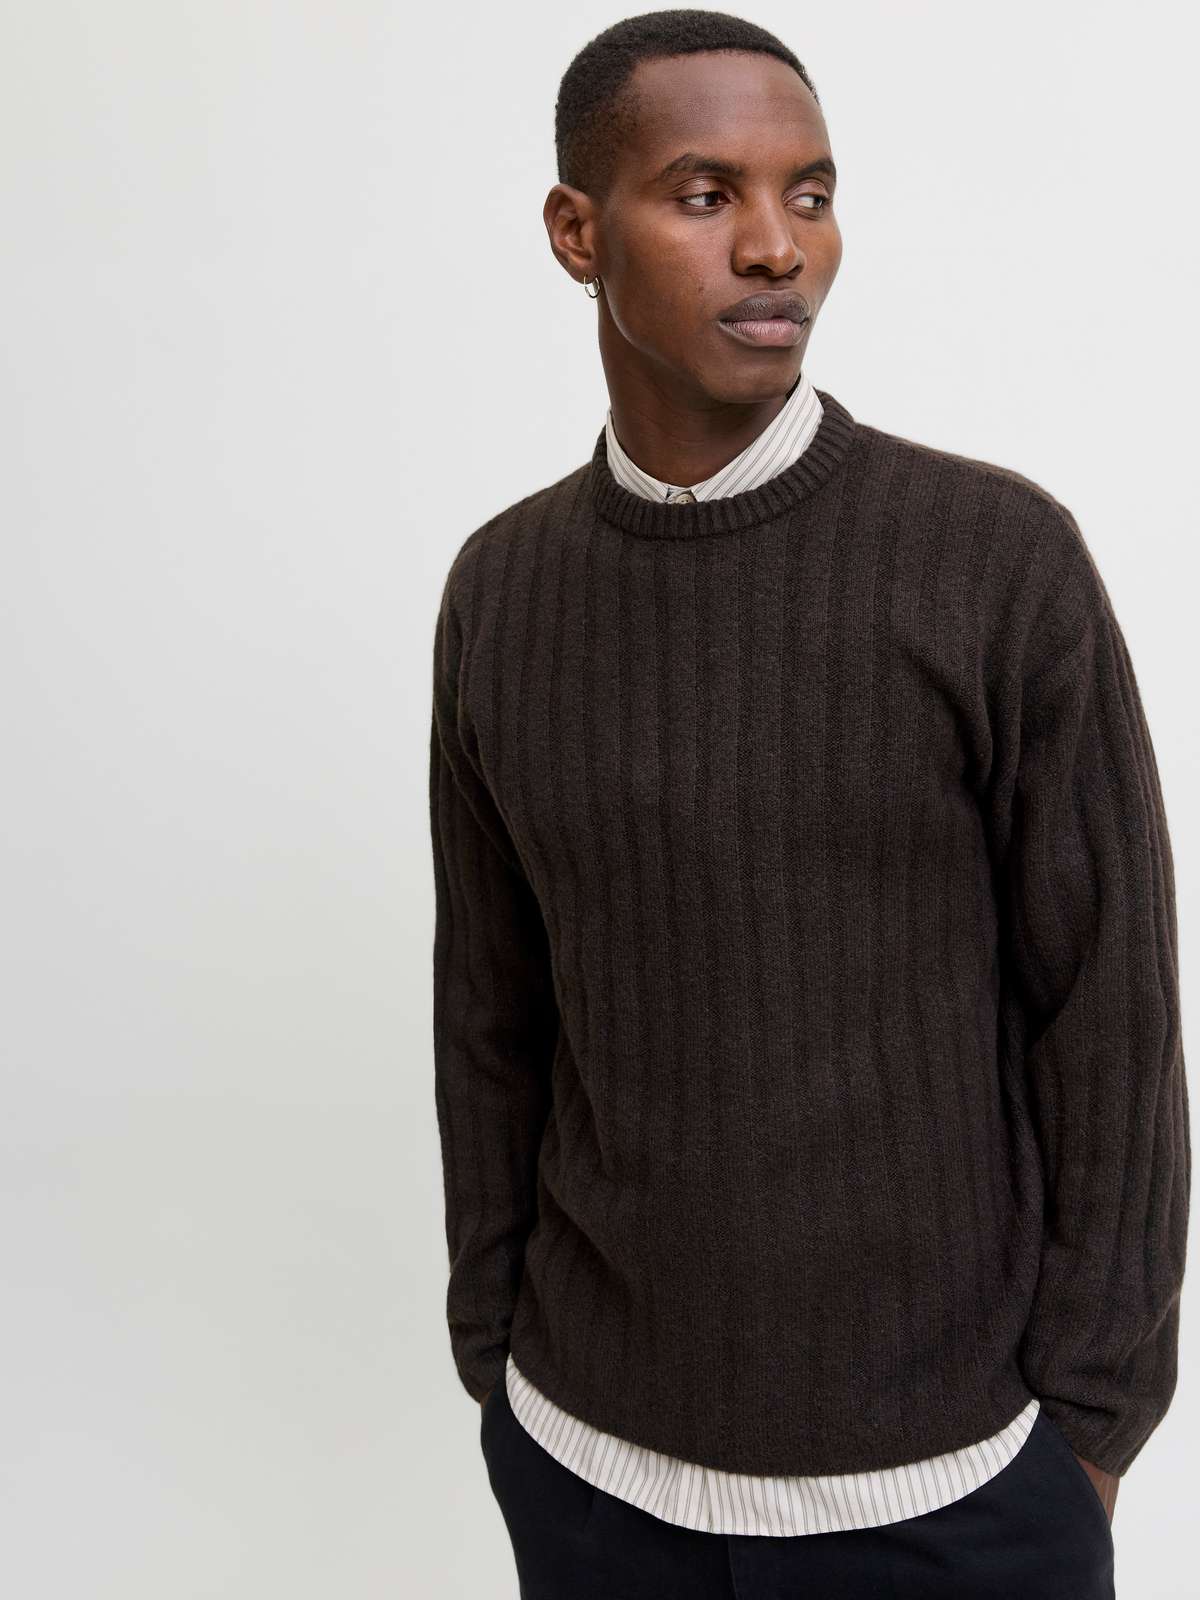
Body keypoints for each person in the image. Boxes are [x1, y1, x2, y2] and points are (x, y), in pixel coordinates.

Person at [428, 11, 1189, 1596]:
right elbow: (493, 1009)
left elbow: (1108, 1015)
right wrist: (494, 1351)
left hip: (953, 1489)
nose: (778, 247)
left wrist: (1090, 1431)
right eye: (706, 194)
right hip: (587, 1473)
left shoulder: (996, 561)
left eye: (813, 194)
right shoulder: (504, 589)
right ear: (577, 232)